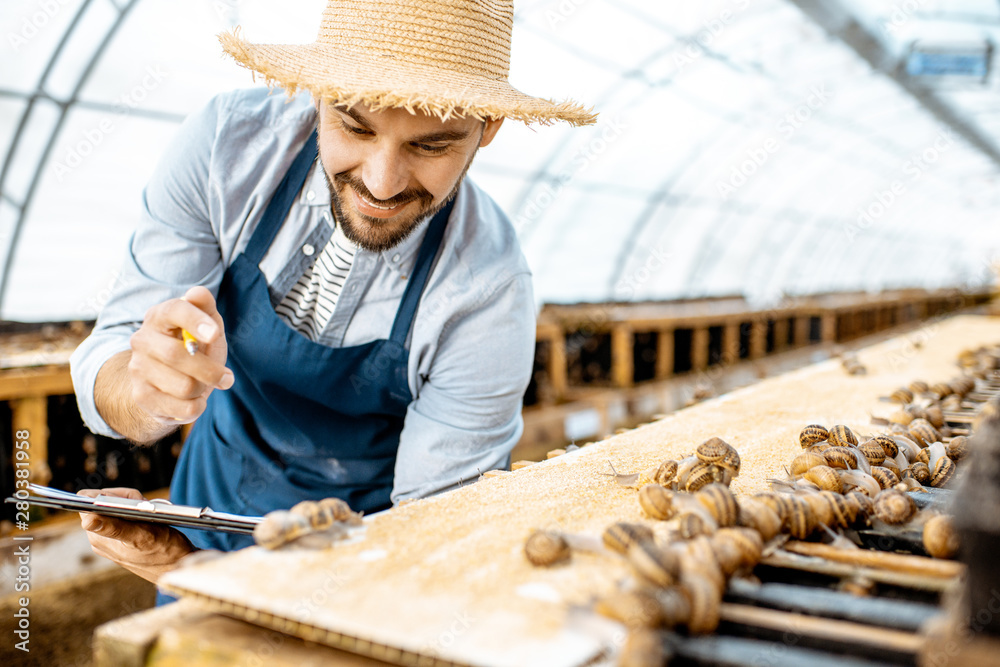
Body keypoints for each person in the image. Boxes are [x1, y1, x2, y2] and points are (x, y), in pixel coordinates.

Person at [69, 0, 596, 585]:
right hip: (207, 509)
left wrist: (205, 574)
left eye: (429, 145)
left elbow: (432, 544)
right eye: (354, 124)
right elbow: (114, 357)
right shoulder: (229, 150)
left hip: (363, 559)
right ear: (317, 91)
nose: (380, 182)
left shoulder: (488, 293)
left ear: (487, 128)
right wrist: (145, 390)